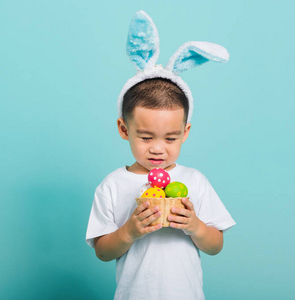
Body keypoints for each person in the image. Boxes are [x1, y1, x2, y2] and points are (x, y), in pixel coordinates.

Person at [85, 11, 235, 300]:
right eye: (145, 137)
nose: (157, 148)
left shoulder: (195, 180)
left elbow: (216, 245)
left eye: (171, 138)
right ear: (123, 129)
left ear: (185, 132)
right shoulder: (112, 185)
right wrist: (130, 231)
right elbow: (103, 252)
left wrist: (194, 226)